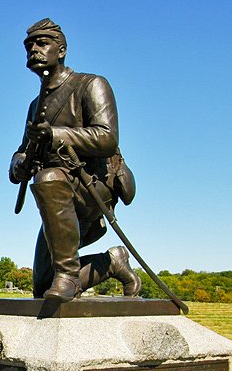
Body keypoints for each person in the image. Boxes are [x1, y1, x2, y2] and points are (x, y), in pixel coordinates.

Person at [9, 18, 141, 302]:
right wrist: (18, 164)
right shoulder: (35, 105)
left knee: (48, 177)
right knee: (42, 286)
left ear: (62, 49)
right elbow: (23, 148)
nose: (34, 49)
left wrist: (56, 135)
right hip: (57, 196)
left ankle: (68, 276)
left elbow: (107, 137)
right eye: (29, 45)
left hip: (92, 185)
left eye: (42, 43)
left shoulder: (90, 84)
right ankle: (112, 263)